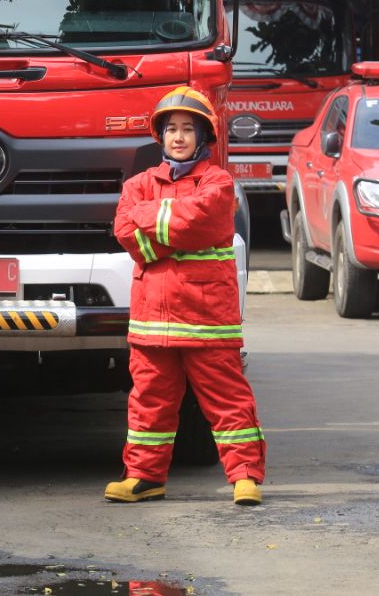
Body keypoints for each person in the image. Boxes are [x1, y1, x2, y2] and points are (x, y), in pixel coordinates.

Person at [105, 86, 265, 505]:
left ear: (203, 137)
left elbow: (201, 218)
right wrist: (171, 228)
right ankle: (144, 477)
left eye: (187, 129)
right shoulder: (139, 183)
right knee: (148, 405)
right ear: (160, 136)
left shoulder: (219, 182)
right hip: (152, 320)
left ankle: (244, 476)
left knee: (228, 401)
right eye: (171, 129)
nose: (178, 137)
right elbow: (125, 230)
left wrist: (151, 225)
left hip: (207, 317)